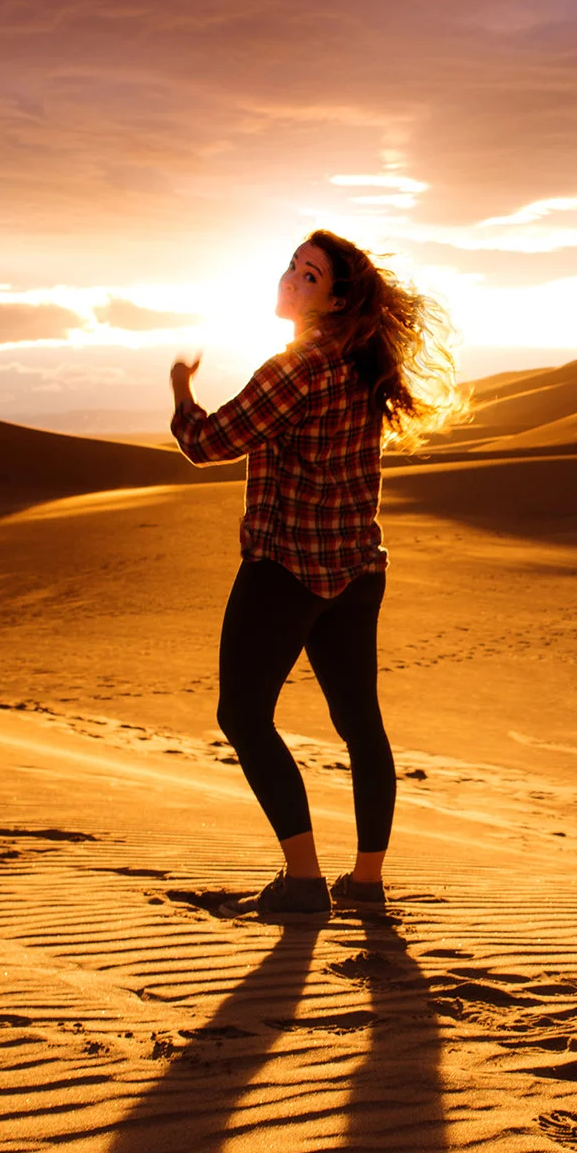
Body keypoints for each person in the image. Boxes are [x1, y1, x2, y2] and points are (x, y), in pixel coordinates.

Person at [169, 230, 464, 920]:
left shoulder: (296, 367)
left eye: (309, 274)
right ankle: (366, 882)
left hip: (288, 567)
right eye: (292, 267)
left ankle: (303, 882)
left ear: (335, 297)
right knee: (360, 722)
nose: (290, 279)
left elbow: (210, 443)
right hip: (356, 569)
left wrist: (182, 393)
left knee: (243, 716)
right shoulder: (361, 361)